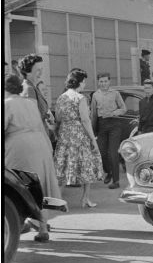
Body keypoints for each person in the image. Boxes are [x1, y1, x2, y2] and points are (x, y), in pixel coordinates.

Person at [4, 74, 61, 242]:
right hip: (40, 144)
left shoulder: (6, 105)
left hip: (20, 147)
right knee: (38, 187)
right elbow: (41, 126)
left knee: (17, 185)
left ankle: (18, 222)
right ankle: (43, 228)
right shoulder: (29, 103)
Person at [54, 69, 104, 207]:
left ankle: (58, 200)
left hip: (64, 135)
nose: (84, 84)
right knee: (86, 166)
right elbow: (85, 120)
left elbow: (58, 118)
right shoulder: (80, 98)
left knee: (63, 167)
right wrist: (93, 139)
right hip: (79, 135)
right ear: (79, 82)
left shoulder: (61, 97)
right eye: (84, 81)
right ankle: (85, 199)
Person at [90, 72, 127, 189]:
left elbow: (123, 108)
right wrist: (92, 130)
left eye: (105, 81)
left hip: (114, 124)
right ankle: (109, 172)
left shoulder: (115, 93)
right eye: (101, 81)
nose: (103, 84)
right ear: (98, 82)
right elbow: (93, 114)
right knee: (101, 153)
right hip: (102, 125)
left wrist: (114, 113)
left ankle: (116, 181)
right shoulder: (95, 95)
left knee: (113, 153)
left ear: (109, 82)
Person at [18, 53, 55, 139]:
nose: (41, 73)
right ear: (28, 72)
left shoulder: (33, 88)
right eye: (38, 70)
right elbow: (33, 118)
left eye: (41, 69)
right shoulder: (28, 89)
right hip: (38, 137)